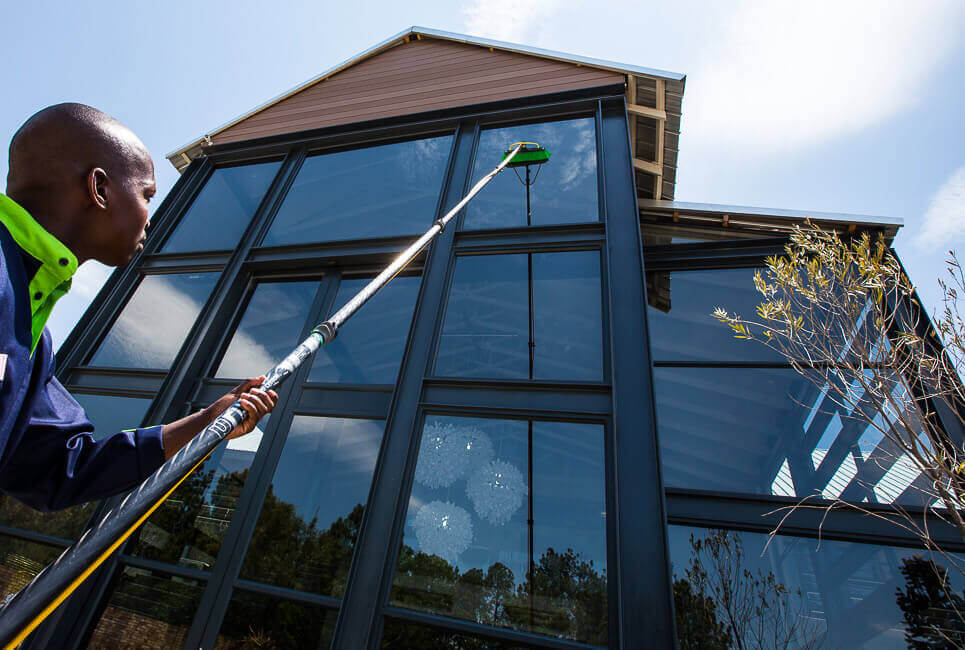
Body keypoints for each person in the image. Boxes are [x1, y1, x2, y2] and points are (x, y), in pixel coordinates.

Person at [0, 103, 278, 512]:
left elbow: (60, 467)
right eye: (147, 194)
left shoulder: (33, 341)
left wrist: (207, 421)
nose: (150, 218)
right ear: (100, 189)